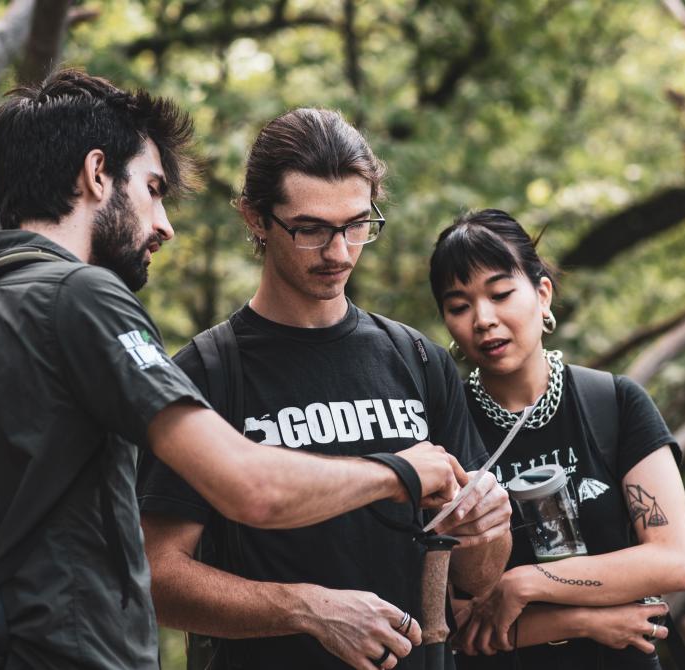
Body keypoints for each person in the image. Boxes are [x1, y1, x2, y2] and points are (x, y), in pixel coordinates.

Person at [0, 70, 468, 670]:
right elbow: (248, 487)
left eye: (357, 226)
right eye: (153, 188)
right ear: (97, 174)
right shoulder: (81, 296)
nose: (164, 223)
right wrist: (401, 474)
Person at [137, 108, 512, 670]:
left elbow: (477, 579)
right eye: (310, 230)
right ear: (255, 218)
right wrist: (305, 609)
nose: (338, 253)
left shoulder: (417, 359)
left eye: (357, 225)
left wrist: (486, 528)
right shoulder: (207, 372)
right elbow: (156, 576)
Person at [427, 210, 685, 668]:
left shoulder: (613, 404)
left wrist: (526, 582)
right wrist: (586, 622)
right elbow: (453, 621)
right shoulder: (445, 430)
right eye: (459, 306)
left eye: (501, 293)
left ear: (543, 294)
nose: (484, 319)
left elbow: (673, 562)